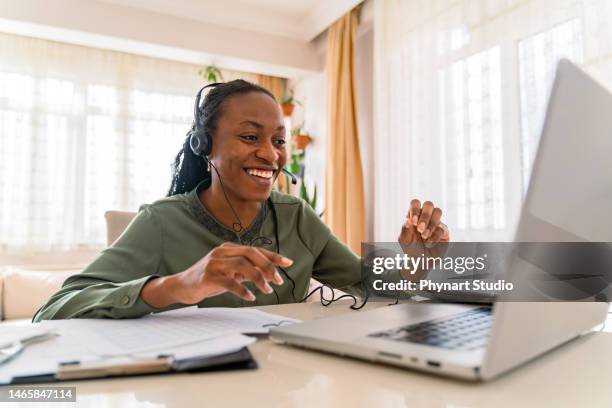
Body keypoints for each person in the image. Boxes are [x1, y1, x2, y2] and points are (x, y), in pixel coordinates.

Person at [33, 79, 449, 321]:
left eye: (279, 141)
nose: (271, 154)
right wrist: (177, 285)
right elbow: (52, 311)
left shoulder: (296, 218)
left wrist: (414, 265)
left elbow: (369, 286)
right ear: (205, 145)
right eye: (250, 137)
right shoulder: (161, 223)